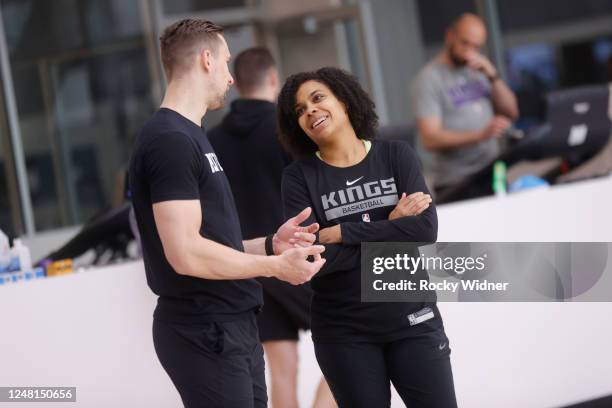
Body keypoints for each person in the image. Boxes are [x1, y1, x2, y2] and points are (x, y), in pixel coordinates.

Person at [128, 19, 327, 408]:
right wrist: (276, 267)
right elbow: (184, 253)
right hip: (205, 330)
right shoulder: (170, 140)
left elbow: (213, 242)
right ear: (206, 60)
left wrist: (270, 245)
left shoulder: (192, 134)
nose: (231, 78)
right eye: (225, 61)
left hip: (231, 323)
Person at [277, 67, 457, 407]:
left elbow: (424, 229)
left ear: (343, 101)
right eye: (299, 110)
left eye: (317, 99)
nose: (310, 111)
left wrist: (344, 232)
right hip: (344, 333)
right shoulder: (298, 178)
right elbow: (314, 259)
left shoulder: (395, 155)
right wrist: (391, 226)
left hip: (412, 320)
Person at [209, 47, 335, 408]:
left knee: (282, 370)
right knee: (354, 343)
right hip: (297, 258)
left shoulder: (213, 142)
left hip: (251, 268)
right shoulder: (287, 131)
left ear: (238, 82)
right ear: (273, 79)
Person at [412, 13, 519, 197]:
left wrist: (493, 76)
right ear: (450, 36)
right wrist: (480, 135)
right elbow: (429, 138)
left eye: (476, 46)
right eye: (465, 43)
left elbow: (512, 112)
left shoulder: (479, 70)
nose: (469, 51)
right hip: (457, 182)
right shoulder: (429, 78)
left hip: (493, 172)